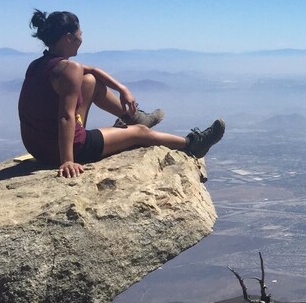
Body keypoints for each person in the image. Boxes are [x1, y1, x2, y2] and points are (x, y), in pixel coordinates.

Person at [18, 9, 224, 178]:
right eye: (80, 34)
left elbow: (91, 72)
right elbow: (65, 116)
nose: (82, 38)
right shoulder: (69, 70)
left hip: (38, 146)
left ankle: (133, 117)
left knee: (90, 81)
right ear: (69, 38)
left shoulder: (40, 65)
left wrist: (122, 89)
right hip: (65, 148)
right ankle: (192, 144)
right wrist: (68, 160)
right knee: (140, 134)